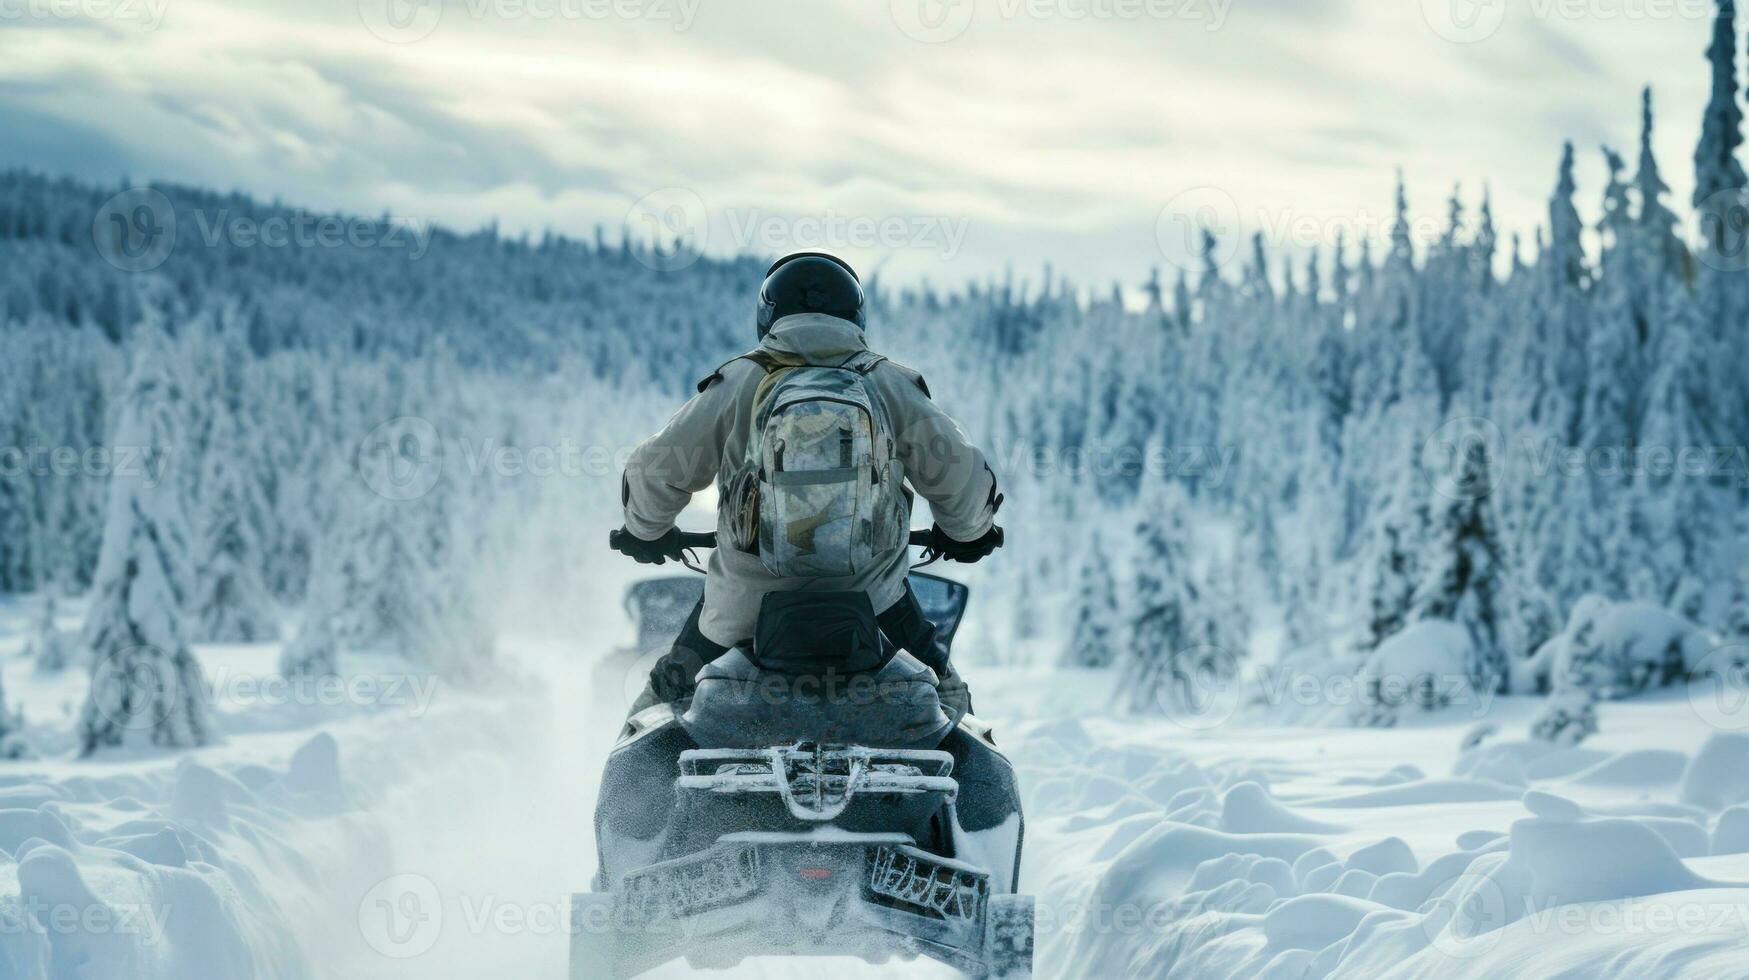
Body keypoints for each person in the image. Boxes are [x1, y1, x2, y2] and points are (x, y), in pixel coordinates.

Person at [614, 251, 1003, 718]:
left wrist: (646, 530)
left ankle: (631, 788)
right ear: (856, 316)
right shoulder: (888, 384)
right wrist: (968, 534)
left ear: (768, 316)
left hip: (742, 609)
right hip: (876, 607)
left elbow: (657, 470)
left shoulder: (739, 379)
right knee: (950, 709)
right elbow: (961, 479)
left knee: (658, 707)